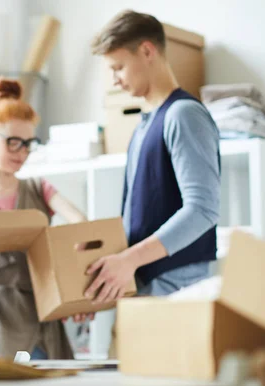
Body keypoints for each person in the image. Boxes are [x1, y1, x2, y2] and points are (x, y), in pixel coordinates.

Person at [0, 78, 87, 360]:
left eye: (28, 144)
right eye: (13, 142)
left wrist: (77, 286)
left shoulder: (39, 188)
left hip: (44, 320)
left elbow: (80, 225)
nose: (21, 153)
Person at [85, 10, 220, 302]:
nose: (115, 80)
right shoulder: (145, 124)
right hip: (148, 285)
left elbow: (203, 209)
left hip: (177, 289)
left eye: (118, 67)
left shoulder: (183, 115)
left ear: (147, 50)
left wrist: (130, 260)